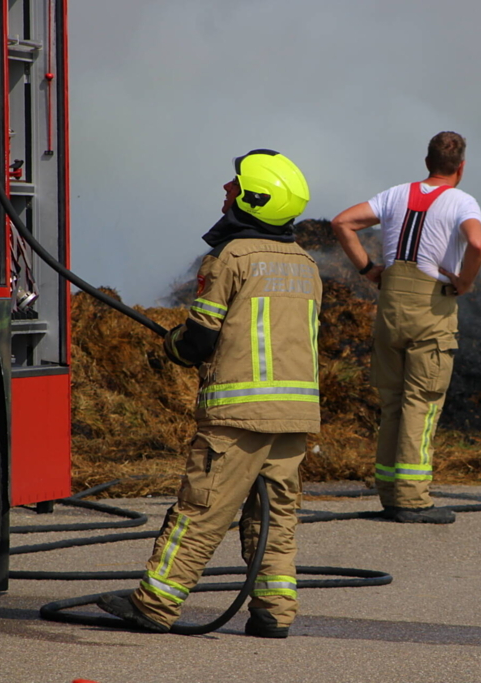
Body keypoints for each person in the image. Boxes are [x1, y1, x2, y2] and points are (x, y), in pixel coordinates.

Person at [97, 150, 321, 637]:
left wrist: (173, 345)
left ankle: (156, 605)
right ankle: (274, 614)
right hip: (295, 417)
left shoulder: (230, 258)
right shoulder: (306, 265)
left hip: (239, 415)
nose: (226, 190)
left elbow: (199, 340)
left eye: (236, 186)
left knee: (200, 511)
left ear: (256, 199)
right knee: (276, 520)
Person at [331, 131, 481, 524]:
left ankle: (388, 492)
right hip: (431, 309)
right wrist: (465, 281)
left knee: (392, 403)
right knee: (423, 402)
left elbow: (343, 222)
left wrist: (368, 269)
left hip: (390, 306)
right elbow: (478, 244)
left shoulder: (396, 194)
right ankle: (413, 499)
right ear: (461, 167)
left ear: (427, 161)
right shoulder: (461, 201)